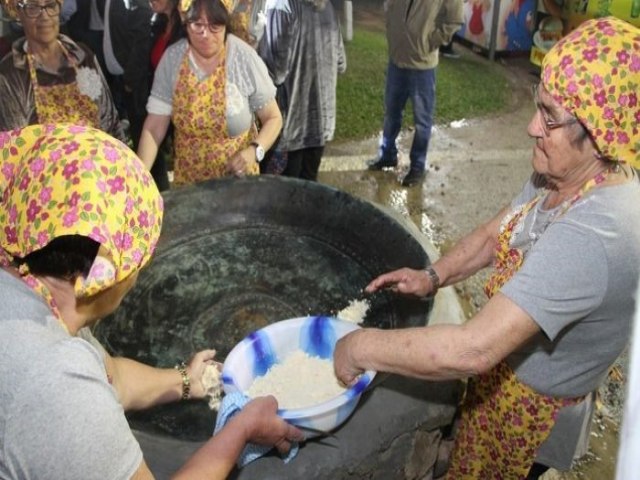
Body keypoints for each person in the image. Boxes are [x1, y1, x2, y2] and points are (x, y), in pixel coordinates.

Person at [336, 16, 640, 479]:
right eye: (539, 105)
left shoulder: (597, 235)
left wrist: (360, 347)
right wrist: (433, 276)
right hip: (502, 377)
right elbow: (498, 230)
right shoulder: (564, 170)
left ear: (600, 136)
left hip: (532, 411)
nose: (531, 128)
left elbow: (473, 349)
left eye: (551, 117)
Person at [0, 123, 304, 479]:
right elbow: (75, 388)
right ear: (99, 281)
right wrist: (241, 430)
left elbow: (111, 377)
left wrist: (185, 381)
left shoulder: (27, 283)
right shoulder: (58, 385)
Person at [137, 0, 282, 186]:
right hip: (190, 185)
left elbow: (273, 118)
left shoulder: (244, 59)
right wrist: (138, 175)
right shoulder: (172, 60)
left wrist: (255, 150)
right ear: (185, 23)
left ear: (226, 24)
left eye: (215, 26)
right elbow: (154, 127)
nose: (205, 35)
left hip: (238, 184)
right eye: (197, 25)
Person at [367, 0, 463, 187]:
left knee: (422, 121)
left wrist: (432, 41)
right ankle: (387, 155)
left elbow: (455, 19)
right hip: (397, 59)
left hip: (423, 66)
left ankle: (417, 167)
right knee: (391, 113)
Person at [0, 0, 124, 140]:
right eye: (33, 7)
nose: (45, 16)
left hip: (98, 159)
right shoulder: (10, 74)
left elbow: (108, 120)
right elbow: (15, 145)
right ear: (18, 14)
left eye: (51, 5)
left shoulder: (82, 57)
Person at [257, 0, 346, 181]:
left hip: (292, 125)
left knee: (283, 192)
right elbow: (341, 63)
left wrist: (254, 50)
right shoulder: (327, 7)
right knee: (308, 188)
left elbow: (276, 71)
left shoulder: (282, 5)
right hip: (322, 122)